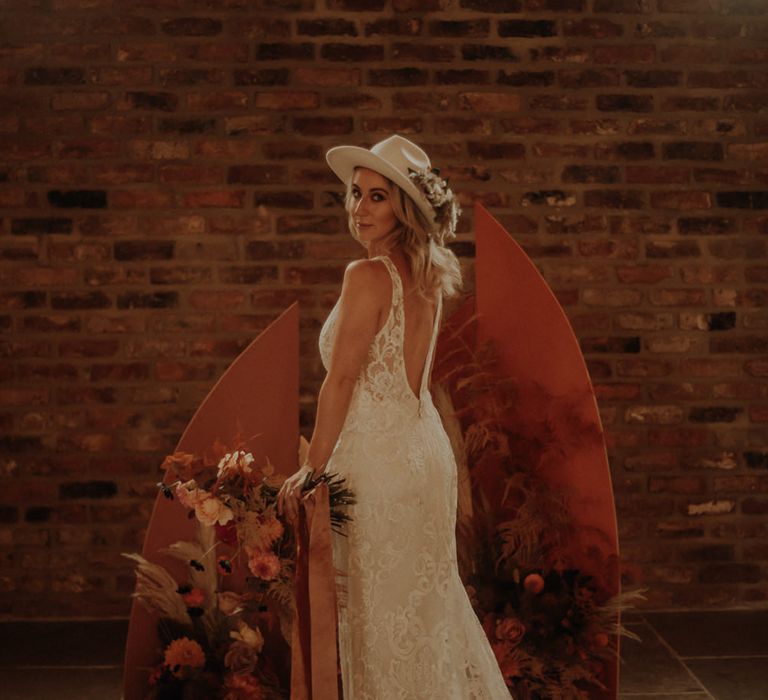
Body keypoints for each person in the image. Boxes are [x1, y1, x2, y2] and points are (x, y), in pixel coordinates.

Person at [277, 135, 512, 699]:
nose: (359, 208)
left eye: (376, 197)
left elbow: (343, 379)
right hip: (425, 457)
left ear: (404, 207)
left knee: (382, 624)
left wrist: (311, 468)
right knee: (425, 616)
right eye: (355, 194)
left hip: (378, 467)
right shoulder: (426, 276)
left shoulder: (367, 276)